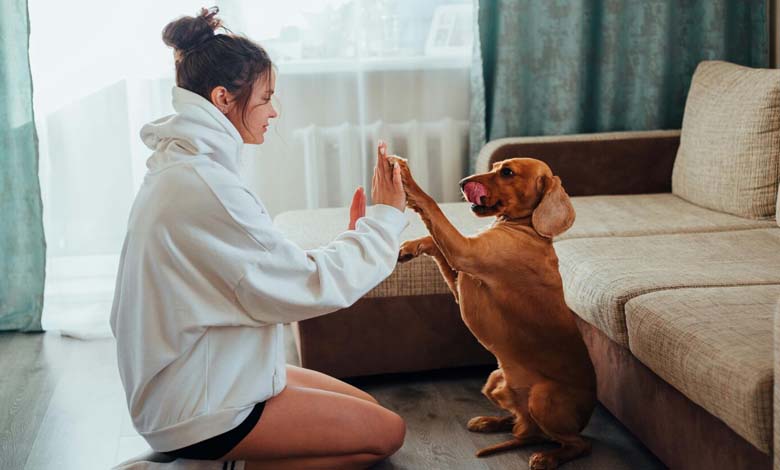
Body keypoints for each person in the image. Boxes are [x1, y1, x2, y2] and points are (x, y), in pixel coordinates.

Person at [109, 7, 408, 469]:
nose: (275, 111)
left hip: (205, 375)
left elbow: (261, 270)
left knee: (369, 411)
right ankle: (206, 464)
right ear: (224, 98)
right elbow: (307, 286)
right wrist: (385, 219)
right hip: (199, 406)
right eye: (266, 98)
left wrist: (356, 237)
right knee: (387, 434)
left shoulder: (189, 169)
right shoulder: (205, 185)